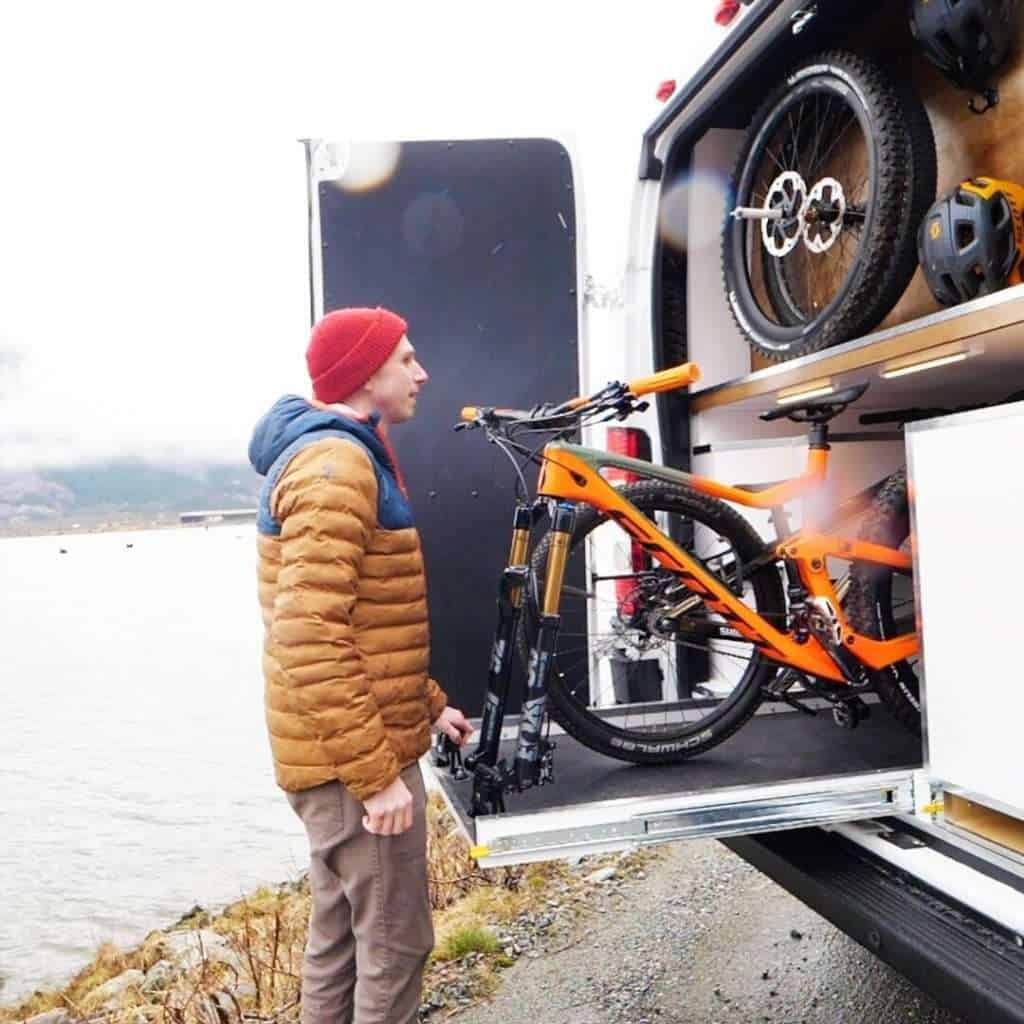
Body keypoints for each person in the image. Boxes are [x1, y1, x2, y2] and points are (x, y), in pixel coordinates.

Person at [248, 306, 474, 1024]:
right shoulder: (337, 466)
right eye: (406, 359)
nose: (421, 372)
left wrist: (430, 703)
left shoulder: (339, 455)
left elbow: (370, 625)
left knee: (341, 943)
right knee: (394, 946)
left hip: (339, 751)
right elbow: (308, 635)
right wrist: (377, 781)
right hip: (352, 765)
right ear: (366, 372)